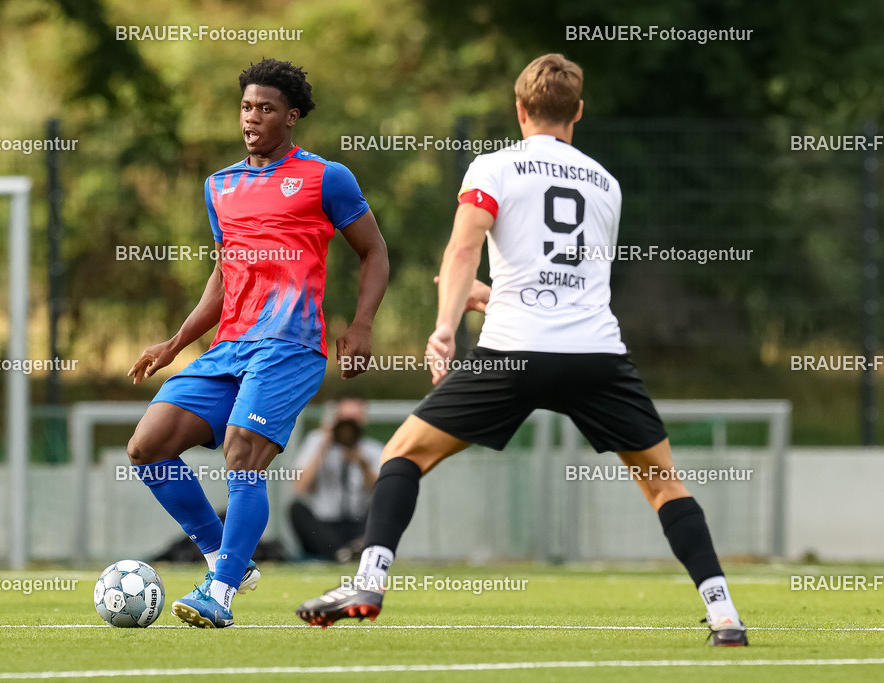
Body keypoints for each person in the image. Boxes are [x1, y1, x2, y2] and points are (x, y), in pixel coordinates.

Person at [296, 54, 747, 647]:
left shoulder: (494, 165)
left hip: (513, 353)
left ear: (519, 109)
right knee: (664, 483)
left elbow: (463, 249)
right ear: (578, 112)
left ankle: (369, 582)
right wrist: (493, 296)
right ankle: (724, 615)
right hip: (595, 355)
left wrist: (445, 325)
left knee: (403, 456)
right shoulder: (606, 183)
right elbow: (566, 281)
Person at [126, 58, 389, 629]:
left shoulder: (326, 177)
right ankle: (228, 556)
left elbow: (374, 251)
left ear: (291, 117)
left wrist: (362, 324)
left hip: (292, 345)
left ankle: (218, 592)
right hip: (229, 347)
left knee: (242, 450)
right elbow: (225, 275)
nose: (252, 118)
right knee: (146, 447)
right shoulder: (218, 186)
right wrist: (175, 343)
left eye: (265, 108)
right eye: (246, 107)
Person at [290, 399, 383, 561]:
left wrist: (362, 463)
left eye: (353, 420)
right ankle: (343, 554)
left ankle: (347, 552)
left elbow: (381, 491)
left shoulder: (372, 450)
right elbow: (300, 488)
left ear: (363, 420)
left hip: (357, 523)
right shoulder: (317, 442)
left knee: (382, 509)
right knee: (296, 509)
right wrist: (322, 447)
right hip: (324, 526)